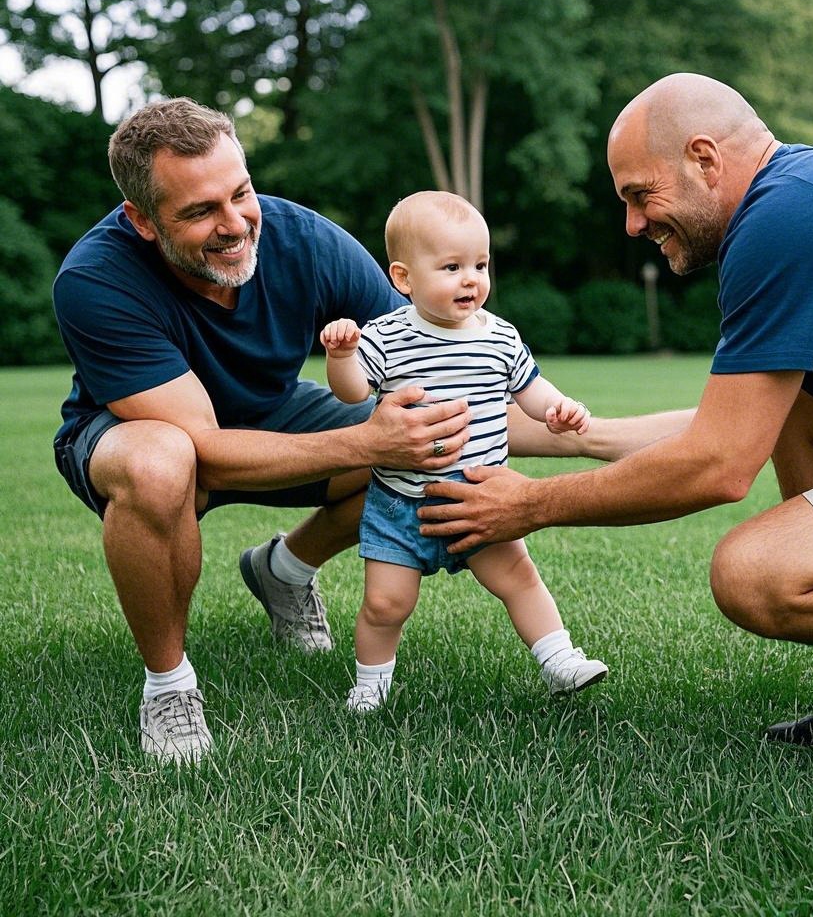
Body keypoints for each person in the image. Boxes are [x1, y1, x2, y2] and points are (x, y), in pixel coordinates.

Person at [419, 72, 813, 765]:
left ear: (705, 159)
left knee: (755, 575)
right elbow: (737, 421)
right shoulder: (808, 192)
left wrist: (528, 505)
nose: (633, 224)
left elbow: (719, 463)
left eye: (640, 195)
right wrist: (559, 433)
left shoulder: (784, 219)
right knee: (802, 407)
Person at [52, 98, 679, 763]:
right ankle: (169, 685)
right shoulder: (96, 278)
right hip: (139, 430)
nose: (236, 224)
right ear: (142, 220)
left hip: (274, 410)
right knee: (163, 464)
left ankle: (283, 570)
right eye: (201, 211)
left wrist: (593, 435)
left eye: (241, 193)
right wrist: (369, 442)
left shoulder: (305, 242)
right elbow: (204, 450)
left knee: (410, 449)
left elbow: (435, 386)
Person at [320, 191, 608, 712]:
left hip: (479, 498)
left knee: (518, 578)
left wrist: (558, 409)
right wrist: (341, 355)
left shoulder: (499, 336)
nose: (471, 278)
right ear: (403, 279)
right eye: (452, 267)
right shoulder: (387, 336)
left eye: (480, 264)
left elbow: (531, 390)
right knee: (386, 604)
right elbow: (353, 392)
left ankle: (560, 659)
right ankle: (370, 685)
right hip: (398, 506)